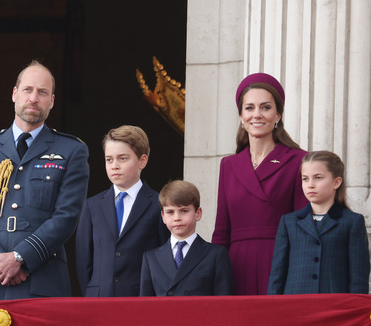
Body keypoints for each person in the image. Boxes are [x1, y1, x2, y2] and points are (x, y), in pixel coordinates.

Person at [0, 60, 90, 300]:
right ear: (15, 94)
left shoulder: (71, 150)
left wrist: (20, 258)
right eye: (27, 90)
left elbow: (67, 216)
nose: (34, 98)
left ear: (52, 101)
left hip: (43, 283)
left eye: (42, 92)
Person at [211, 72, 308, 295]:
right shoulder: (229, 165)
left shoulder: (299, 160)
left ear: (278, 115)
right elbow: (221, 232)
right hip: (235, 267)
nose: (257, 115)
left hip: (281, 262)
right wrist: (214, 275)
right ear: (241, 116)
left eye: (265, 107)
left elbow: (303, 227)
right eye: (249, 108)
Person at [75, 126, 169, 297]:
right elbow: (84, 262)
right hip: (99, 301)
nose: (114, 166)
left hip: (141, 301)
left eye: (122, 158)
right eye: (109, 160)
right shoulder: (91, 206)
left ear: (142, 161)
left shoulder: (159, 205)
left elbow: (164, 260)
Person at [268, 151, 369, 294]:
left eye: (318, 178)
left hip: (335, 307)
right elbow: (277, 275)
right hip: (294, 306)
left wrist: (356, 311)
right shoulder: (289, 222)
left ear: (336, 182)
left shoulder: (352, 222)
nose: (310, 185)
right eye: (305, 179)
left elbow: (358, 277)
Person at [140, 180, 235, 296]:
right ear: (163, 217)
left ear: (198, 213)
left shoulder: (216, 254)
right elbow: (146, 306)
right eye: (170, 212)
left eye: (184, 211)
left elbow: (224, 302)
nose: (177, 218)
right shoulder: (151, 258)